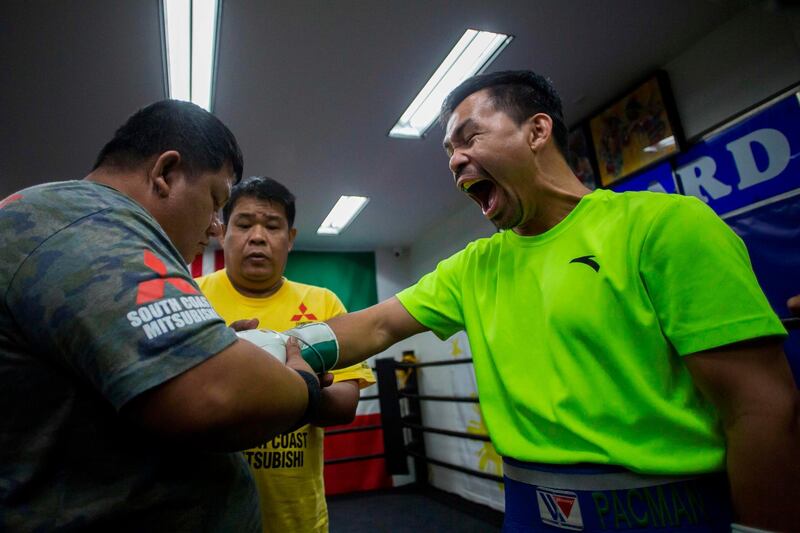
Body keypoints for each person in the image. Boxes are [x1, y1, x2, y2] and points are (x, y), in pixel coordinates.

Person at [323, 71, 800, 532]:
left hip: (668, 511)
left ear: (537, 130)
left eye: (469, 138)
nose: (454, 161)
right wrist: (264, 345)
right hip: (531, 510)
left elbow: (759, 408)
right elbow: (376, 326)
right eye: (449, 151)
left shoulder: (664, 225)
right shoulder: (473, 266)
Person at [0, 100, 326, 531]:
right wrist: (304, 384)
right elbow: (217, 394)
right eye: (215, 201)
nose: (215, 227)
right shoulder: (92, 223)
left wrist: (204, 346)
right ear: (166, 174)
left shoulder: (75, 219)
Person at [196, 176, 374, 533]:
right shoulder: (190, 298)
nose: (257, 236)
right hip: (207, 515)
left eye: (272, 226)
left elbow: (344, 404)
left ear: (290, 239)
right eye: (244, 224)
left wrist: (295, 389)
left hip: (297, 519)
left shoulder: (323, 303)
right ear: (221, 232)